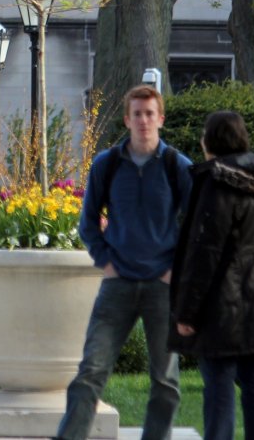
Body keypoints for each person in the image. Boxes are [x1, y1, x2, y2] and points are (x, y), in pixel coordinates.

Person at [55, 84, 193, 440]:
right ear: (127, 119)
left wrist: (173, 270)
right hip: (117, 284)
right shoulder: (108, 164)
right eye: (137, 114)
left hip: (162, 287)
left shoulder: (178, 166)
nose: (144, 121)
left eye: (150, 114)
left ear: (160, 118)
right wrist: (106, 262)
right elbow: (87, 223)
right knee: (90, 372)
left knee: (166, 382)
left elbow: (196, 229)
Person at [170, 111, 254, 440]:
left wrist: (187, 312)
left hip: (222, 306)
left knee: (218, 381)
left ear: (212, 140)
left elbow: (205, 254)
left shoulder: (217, 185)